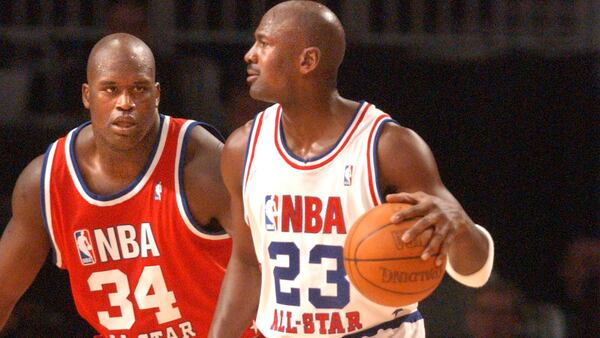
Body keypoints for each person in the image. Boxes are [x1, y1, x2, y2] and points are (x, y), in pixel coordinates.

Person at [208, 1, 495, 337]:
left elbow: (474, 273)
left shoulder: (389, 147)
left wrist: (460, 225)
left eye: (264, 43)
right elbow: (246, 263)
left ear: (307, 61)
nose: (250, 54)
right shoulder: (242, 149)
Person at [0, 33, 257, 337]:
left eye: (139, 89)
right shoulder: (45, 183)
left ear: (157, 94)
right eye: (110, 89)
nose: (125, 103)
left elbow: (265, 267)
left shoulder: (201, 166)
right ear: (86, 95)